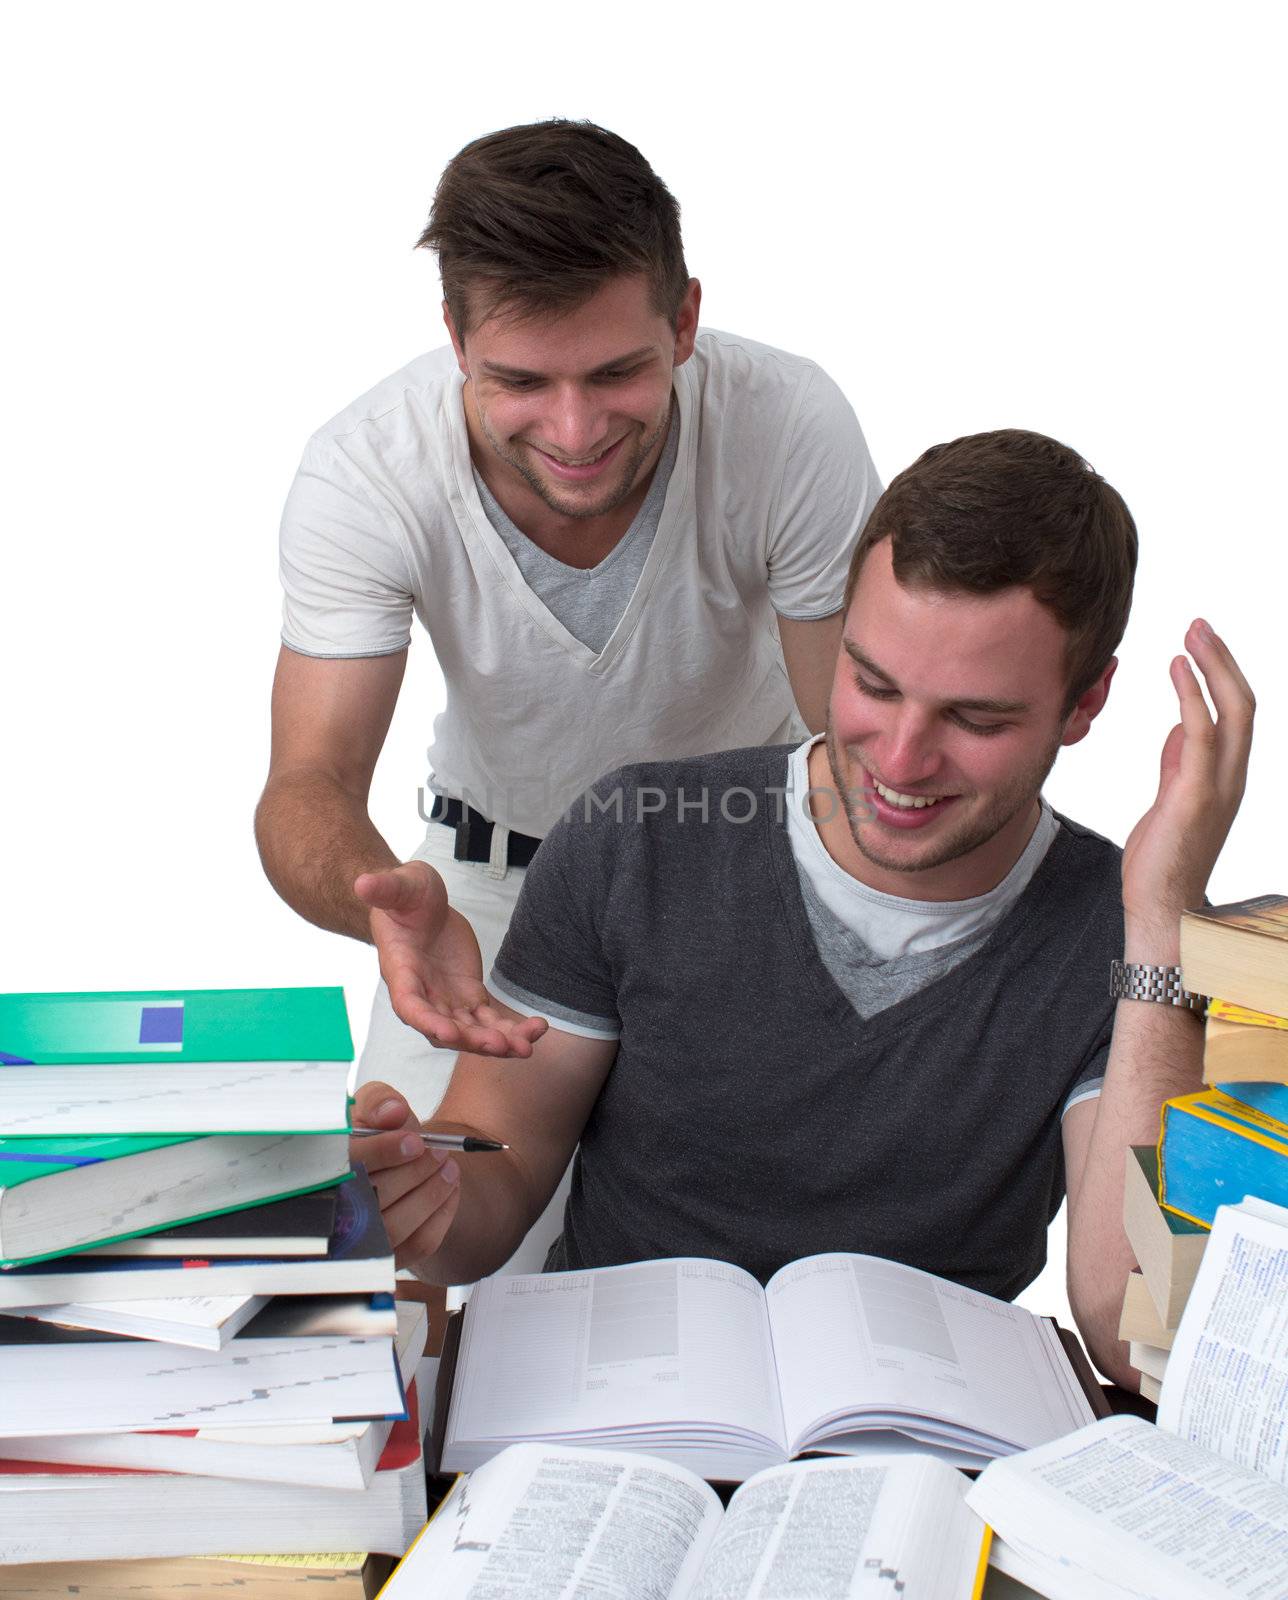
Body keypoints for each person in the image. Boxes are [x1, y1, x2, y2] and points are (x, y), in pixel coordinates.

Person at [350, 428, 1255, 1388]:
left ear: (1085, 705)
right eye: (871, 683)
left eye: (975, 718)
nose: (900, 761)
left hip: (926, 1457)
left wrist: (1163, 917)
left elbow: (1131, 1332)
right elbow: (493, 1192)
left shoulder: (1111, 936)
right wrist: (424, 1194)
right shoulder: (638, 835)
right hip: (617, 1422)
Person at [254, 120, 881, 1134]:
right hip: (484, 895)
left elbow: (858, 743)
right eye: (521, 382)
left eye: (614, 373)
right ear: (455, 340)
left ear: (684, 320)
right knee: (417, 1224)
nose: (575, 431)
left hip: (752, 871)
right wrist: (384, 907)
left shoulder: (788, 422)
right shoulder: (365, 472)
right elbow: (305, 787)